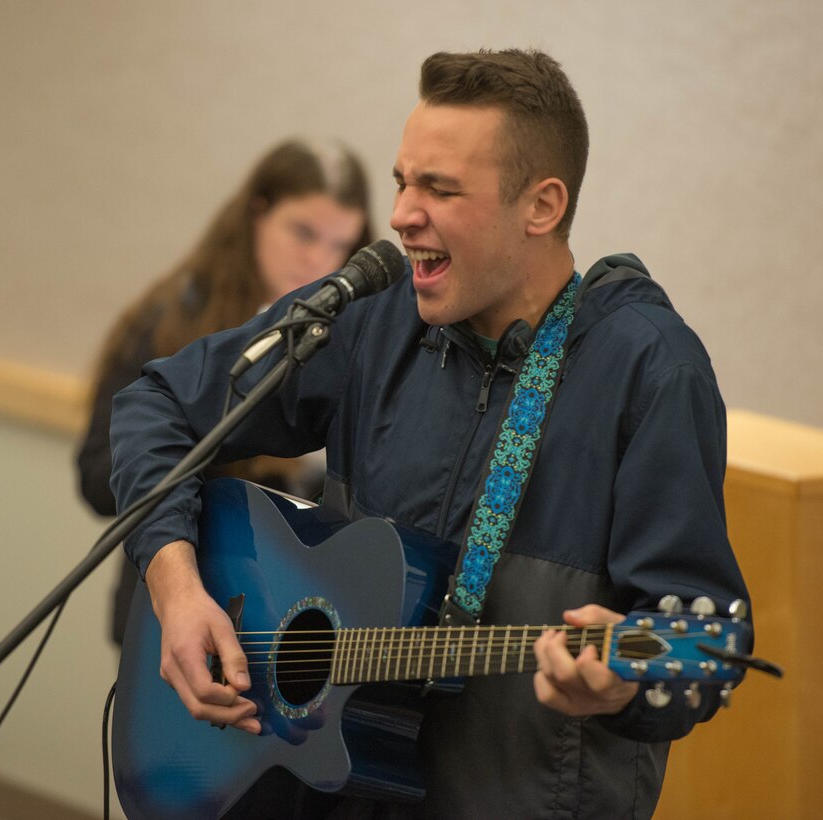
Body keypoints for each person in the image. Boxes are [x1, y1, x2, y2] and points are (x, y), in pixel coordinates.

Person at [108, 49, 750, 818]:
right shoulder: (368, 317)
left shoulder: (650, 372)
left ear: (540, 207)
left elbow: (697, 649)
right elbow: (156, 405)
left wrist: (620, 688)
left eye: (439, 189)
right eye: (402, 182)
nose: (403, 214)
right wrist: (177, 592)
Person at [77, 138, 372, 643]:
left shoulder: (356, 335)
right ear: (257, 212)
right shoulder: (172, 321)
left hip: (286, 617)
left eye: (340, 244)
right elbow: (99, 479)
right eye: (303, 233)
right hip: (172, 605)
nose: (319, 259)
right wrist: (240, 450)